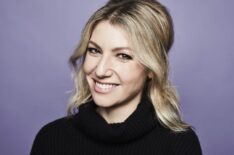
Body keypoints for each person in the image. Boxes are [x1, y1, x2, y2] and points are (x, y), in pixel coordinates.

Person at [31, 0, 202, 154]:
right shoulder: (51, 139)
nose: (100, 70)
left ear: (152, 68)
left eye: (123, 56)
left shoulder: (179, 144)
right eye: (94, 50)